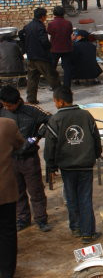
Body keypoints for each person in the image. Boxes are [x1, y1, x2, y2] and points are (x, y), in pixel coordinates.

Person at [44, 86, 102, 244]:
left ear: (61, 102)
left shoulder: (55, 120)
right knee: (85, 198)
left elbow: (50, 146)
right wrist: (95, 155)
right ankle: (88, 232)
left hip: (67, 167)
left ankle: (76, 228)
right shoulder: (86, 115)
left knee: (71, 198)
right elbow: (96, 138)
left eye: (55, 101)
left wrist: (51, 166)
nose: (55, 104)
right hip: (85, 165)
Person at [0, 85, 51, 233]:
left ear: (18, 102)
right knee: (17, 191)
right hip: (10, 159)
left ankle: (41, 219)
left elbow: (51, 120)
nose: (7, 108)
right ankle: (22, 219)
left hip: (29, 158)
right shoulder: (2, 111)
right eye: (4, 105)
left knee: (36, 190)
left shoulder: (32, 110)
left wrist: (38, 136)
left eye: (9, 105)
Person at [0, 116, 25, 278]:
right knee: (8, 232)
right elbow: (20, 144)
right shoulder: (7, 125)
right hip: (5, 189)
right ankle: (7, 275)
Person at [24, 8, 60, 104]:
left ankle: (31, 99)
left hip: (31, 56)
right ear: (43, 17)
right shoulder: (40, 27)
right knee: (52, 76)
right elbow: (44, 41)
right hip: (41, 57)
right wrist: (49, 46)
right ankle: (61, 97)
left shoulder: (28, 26)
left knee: (32, 78)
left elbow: (21, 35)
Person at [46, 6, 74, 88]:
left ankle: (54, 85)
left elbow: (49, 33)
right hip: (67, 48)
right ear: (63, 13)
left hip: (54, 49)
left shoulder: (51, 24)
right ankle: (66, 86)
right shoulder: (68, 23)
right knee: (67, 69)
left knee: (52, 68)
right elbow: (70, 32)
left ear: (54, 14)